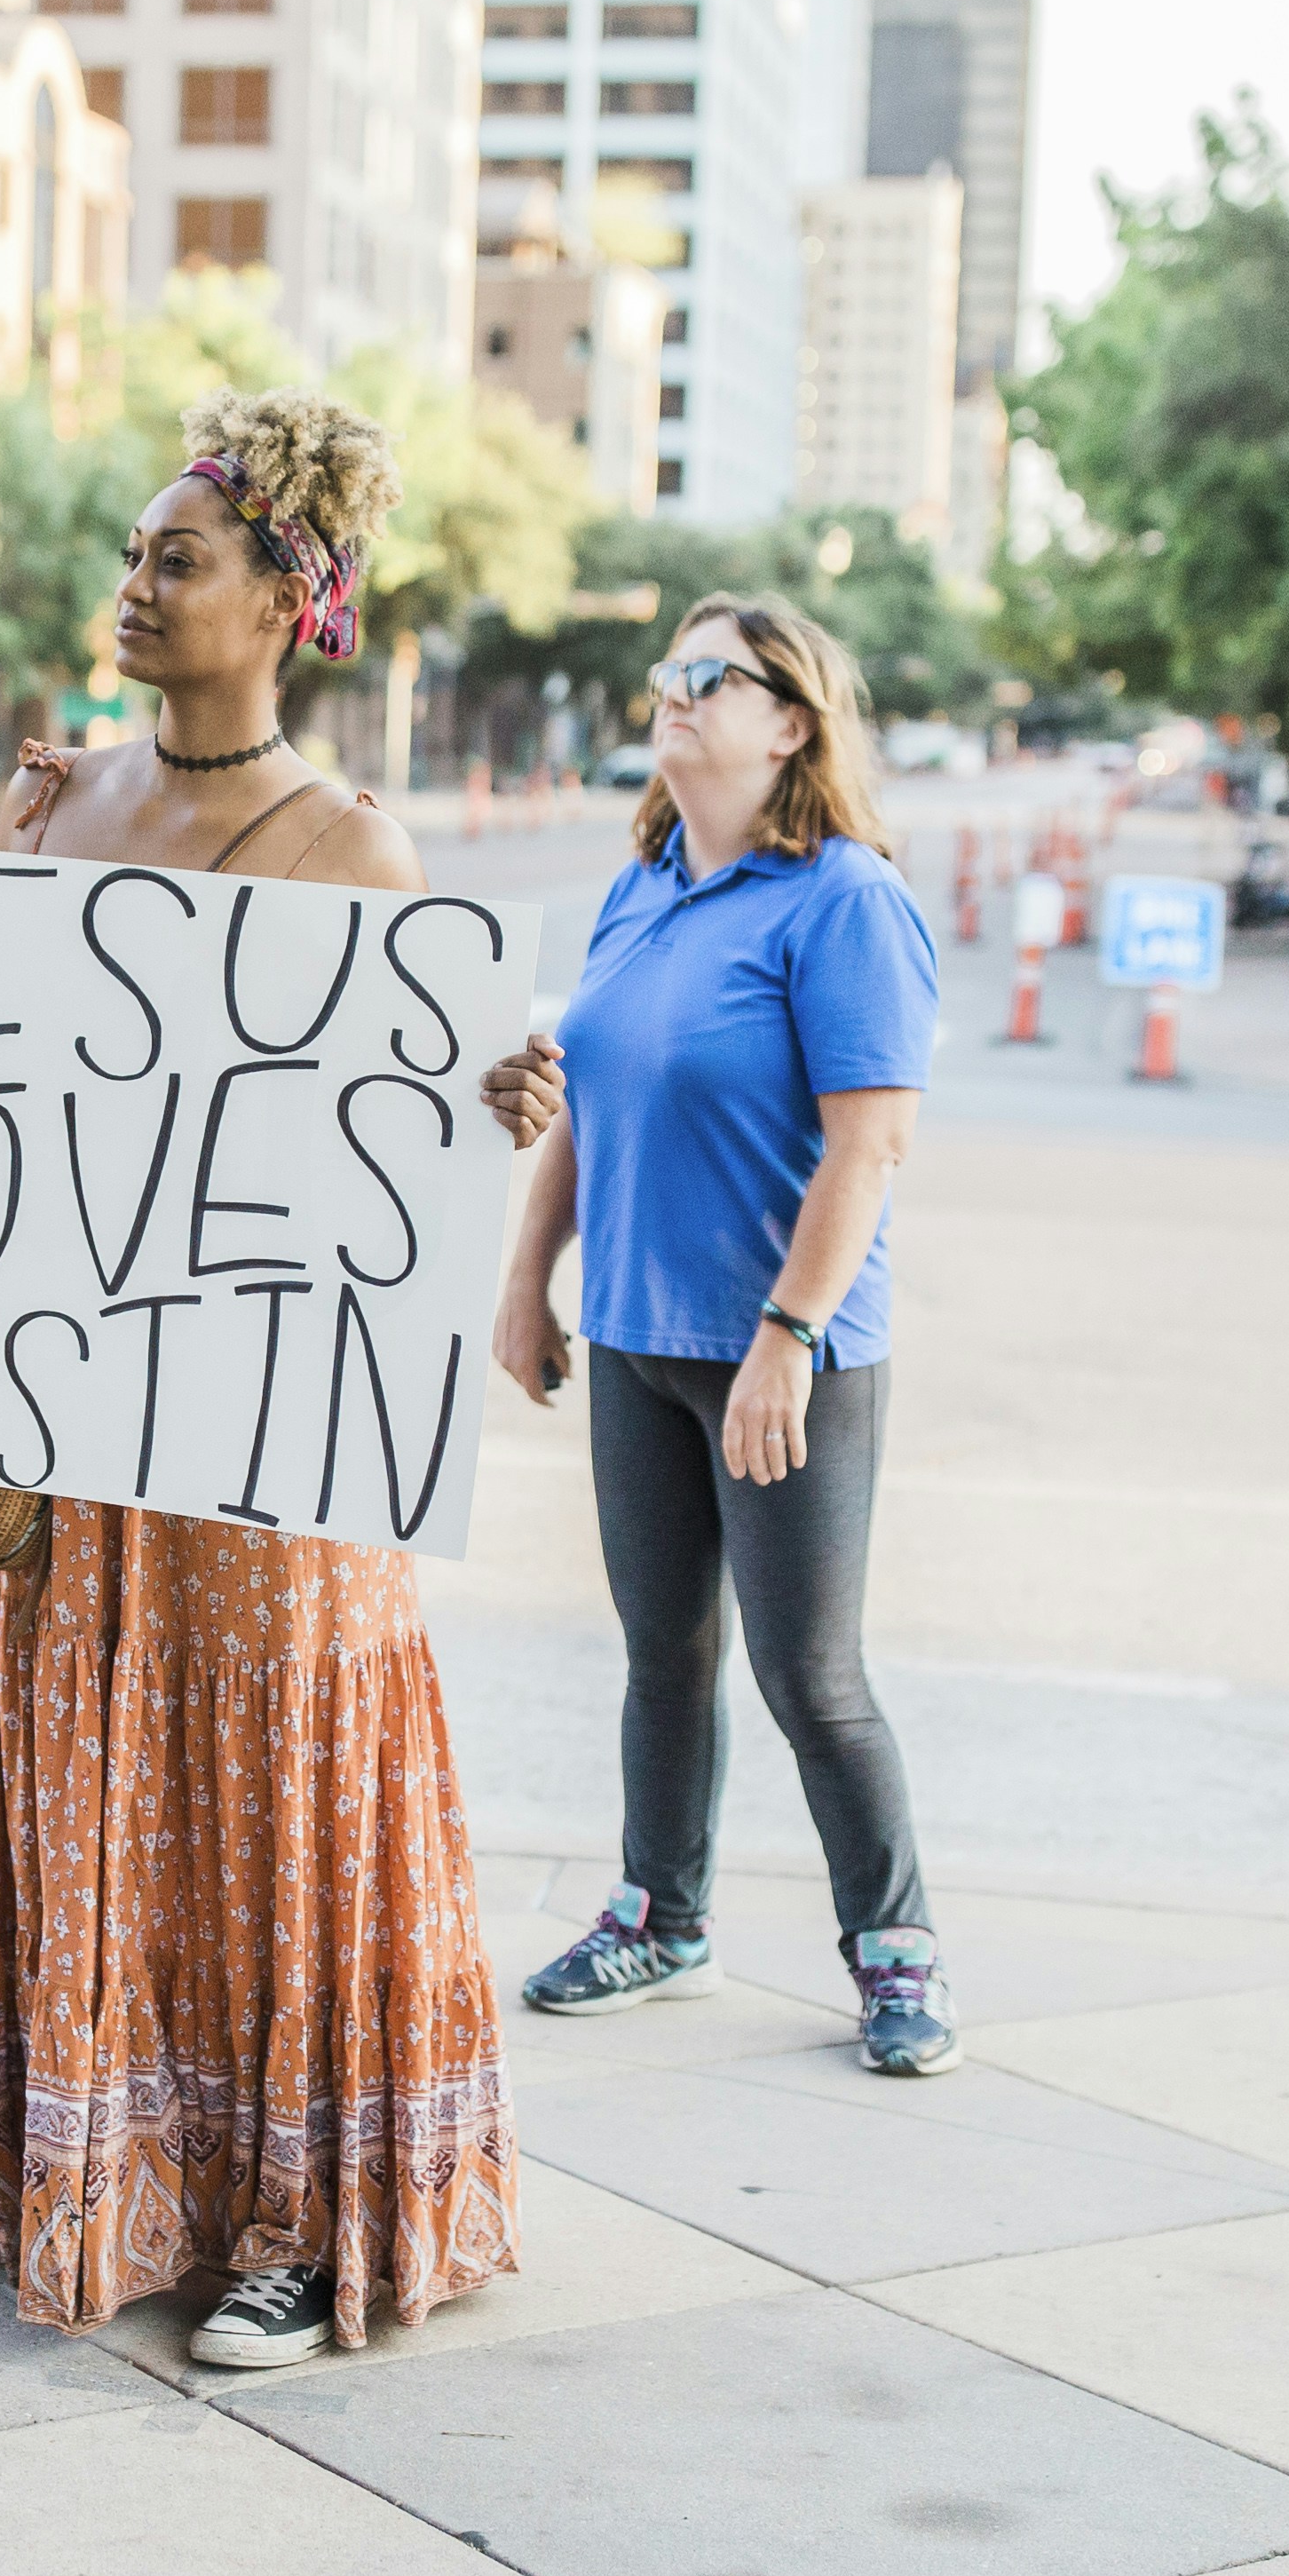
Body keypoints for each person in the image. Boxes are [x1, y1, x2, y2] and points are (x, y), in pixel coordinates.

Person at [0, 388, 553, 2371]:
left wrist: (490, 1106)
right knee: (99, 1767)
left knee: (271, 1786)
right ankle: (86, 2159)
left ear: (290, 601)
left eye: (176, 561)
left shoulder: (356, 845)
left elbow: (406, 1125)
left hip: (270, 1459)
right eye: (130, 555)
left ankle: (287, 2214)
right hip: (90, 1436)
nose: (133, 586)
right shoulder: (55, 807)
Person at [494, 598, 954, 2077]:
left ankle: (896, 1956)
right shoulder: (640, 890)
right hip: (634, 1336)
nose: (671, 696)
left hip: (783, 1351)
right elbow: (590, 1096)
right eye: (666, 675)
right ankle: (660, 1914)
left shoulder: (845, 899)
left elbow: (869, 1145)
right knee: (661, 1650)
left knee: (811, 1672)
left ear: (793, 721)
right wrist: (527, 1280)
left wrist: (788, 1337)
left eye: (709, 677)